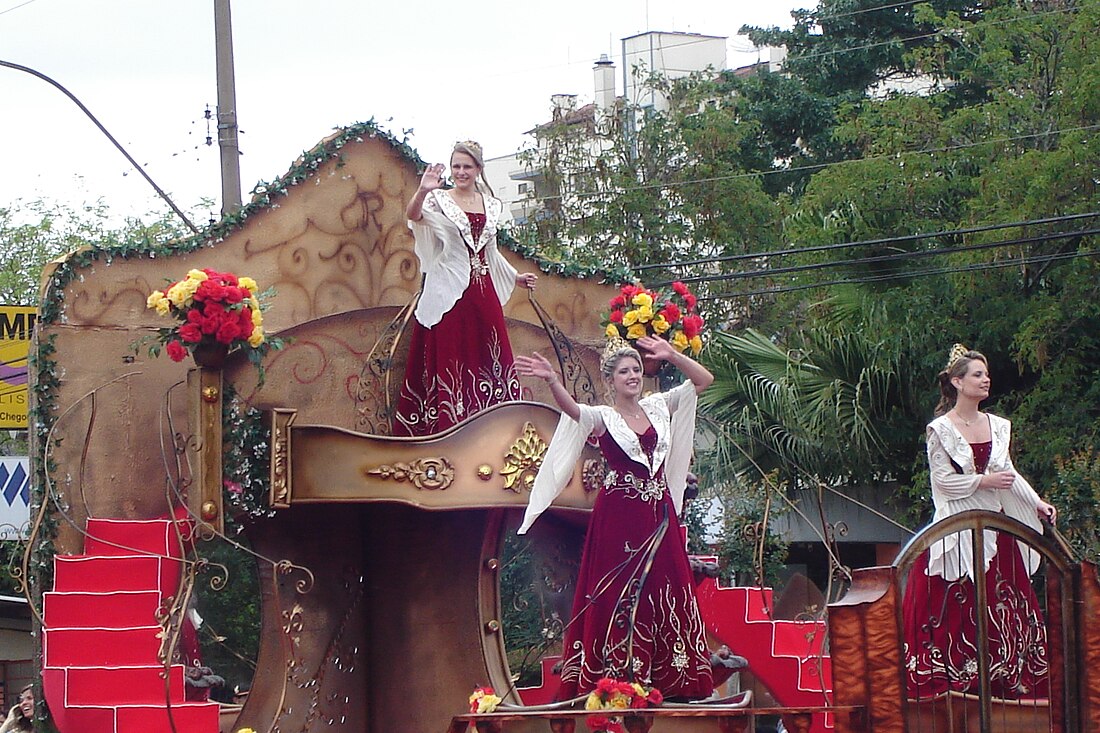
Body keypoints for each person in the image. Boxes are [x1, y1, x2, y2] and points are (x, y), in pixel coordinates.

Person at [514, 335, 717, 700]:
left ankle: (672, 679)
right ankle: (615, 679)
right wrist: (551, 381)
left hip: (658, 513)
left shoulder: (658, 406)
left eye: (636, 369)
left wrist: (672, 355)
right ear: (611, 380)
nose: (633, 376)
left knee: (666, 585)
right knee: (617, 589)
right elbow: (574, 412)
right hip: (618, 515)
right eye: (624, 371)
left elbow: (703, 381)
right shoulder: (604, 417)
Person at [902, 345, 1057, 700]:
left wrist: (1037, 503)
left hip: (994, 524)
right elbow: (942, 482)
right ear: (957, 382)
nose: (985, 379)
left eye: (986, 374)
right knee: (950, 604)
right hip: (956, 524)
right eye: (977, 374)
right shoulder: (940, 429)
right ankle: (951, 685)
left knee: (1006, 602)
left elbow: (1008, 473)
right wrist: (983, 482)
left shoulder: (999, 426)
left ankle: (1009, 682)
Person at [392, 140, 539, 436]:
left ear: (478, 169)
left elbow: (491, 251)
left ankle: (497, 428)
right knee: (452, 356)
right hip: (449, 292)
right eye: (456, 166)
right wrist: (423, 190)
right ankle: (447, 428)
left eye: (466, 166)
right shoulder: (439, 200)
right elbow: (413, 217)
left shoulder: (491, 205)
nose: (460, 172)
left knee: (490, 354)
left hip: (482, 292)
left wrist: (514, 277)